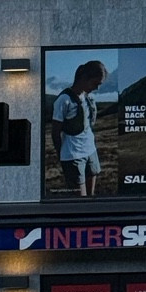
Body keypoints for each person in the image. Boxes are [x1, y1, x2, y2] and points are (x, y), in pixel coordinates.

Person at [51, 58, 107, 195]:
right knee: (79, 200)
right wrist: (61, 155)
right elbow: (55, 132)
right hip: (72, 155)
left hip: (90, 150)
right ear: (85, 78)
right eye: (95, 83)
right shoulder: (64, 100)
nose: (97, 88)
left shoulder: (89, 98)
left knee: (90, 195)